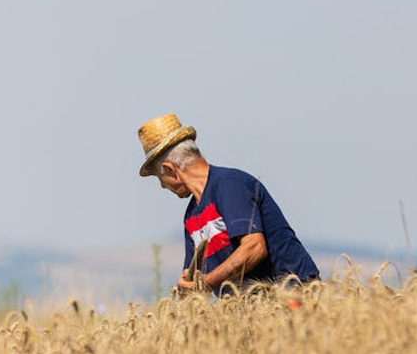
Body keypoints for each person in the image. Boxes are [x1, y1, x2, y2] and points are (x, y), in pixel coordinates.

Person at [137, 113, 319, 293]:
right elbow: (195, 280)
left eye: (159, 178)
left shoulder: (230, 185)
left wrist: (206, 283)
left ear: (170, 169)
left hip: (294, 298)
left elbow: (254, 248)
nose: (162, 186)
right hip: (250, 313)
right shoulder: (192, 217)